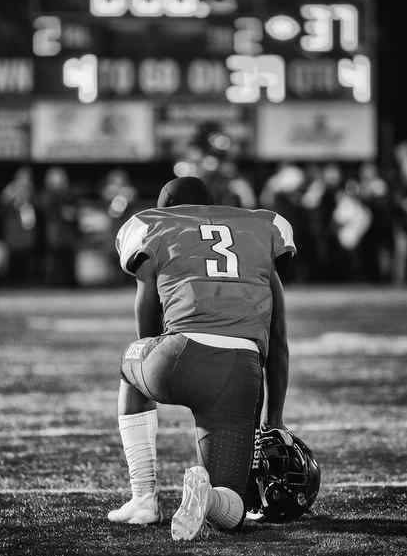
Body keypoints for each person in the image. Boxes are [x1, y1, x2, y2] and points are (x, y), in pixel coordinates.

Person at [108, 176, 294, 541]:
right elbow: (279, 342)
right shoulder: (261, 229)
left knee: (130, 365)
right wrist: (274, 419)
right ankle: (209, 499)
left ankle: (144, 498)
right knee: (234, 509)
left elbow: (147, 328)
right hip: (242, 371)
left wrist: (161, 354)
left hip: (179, 356)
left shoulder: (153, 225)